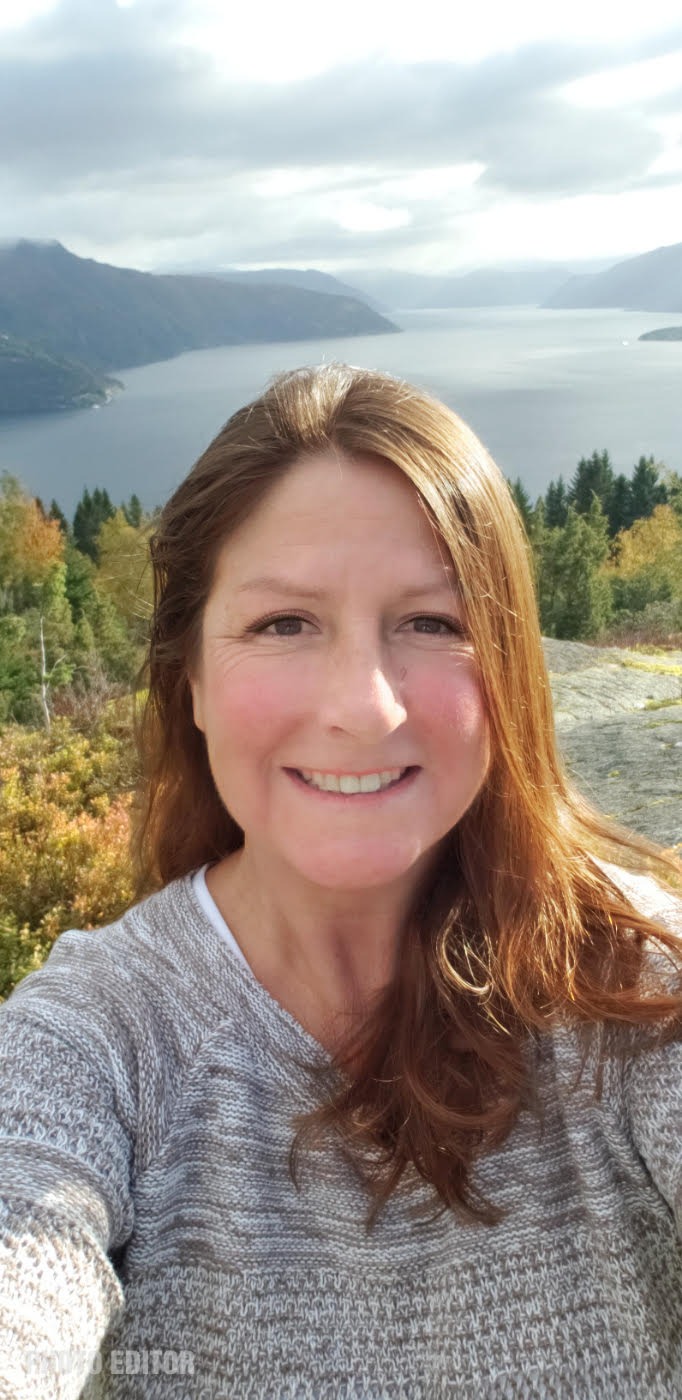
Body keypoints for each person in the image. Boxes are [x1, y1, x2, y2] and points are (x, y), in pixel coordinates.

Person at [0, 363, 680, 1400]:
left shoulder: (634, 991)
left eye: (431, 622)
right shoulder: (96, 1040)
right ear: (188, 674)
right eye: (284, 624)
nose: (363, 708)